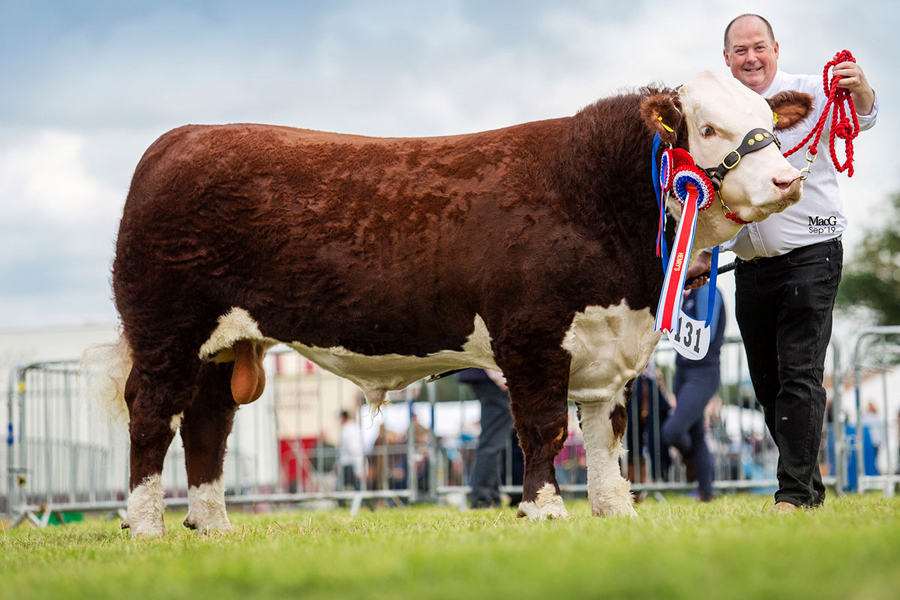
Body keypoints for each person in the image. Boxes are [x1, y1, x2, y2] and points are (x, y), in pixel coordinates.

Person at [689, 14, 878, 512]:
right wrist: (703, 251)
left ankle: (790, 496)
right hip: (750, 264)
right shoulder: (716, 115)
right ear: (726, 58)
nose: (751, 58)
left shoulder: (810, 92)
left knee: (799, 374)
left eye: (759, 47)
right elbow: (708, 193)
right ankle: (809, 489)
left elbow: (862, 119)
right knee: (767, 384)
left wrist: (861, 89)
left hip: (811, 255)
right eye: (740, 50)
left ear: (775, 47)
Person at [661, 286, 726, 502]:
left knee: (673, 430)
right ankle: (706, 493)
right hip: (683, 371)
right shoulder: (684, 294)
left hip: (702, 372)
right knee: (697, 435)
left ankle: (690, 460)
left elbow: (707, 332)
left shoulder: (708, 291)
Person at [458, 368, 515, 508]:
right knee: (492, 442)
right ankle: (483, 498)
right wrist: (500, 376)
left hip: (485, 376)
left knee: (492, 440)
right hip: (493, 377)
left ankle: (491, 497)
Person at [339, 410, 364, 491]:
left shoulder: (348, 430)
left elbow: (353, 449)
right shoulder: (353, 428)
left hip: (350, 464)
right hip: (352, 463)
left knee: (354, 487)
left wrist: (358, 468)